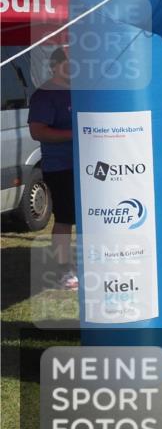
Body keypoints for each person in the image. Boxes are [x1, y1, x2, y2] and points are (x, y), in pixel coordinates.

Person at [28, 48, 77, 290]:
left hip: (90, 166)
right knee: (65, 218)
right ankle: (64, 270)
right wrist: (75, 134)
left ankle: (91, 262)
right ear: (56, 65)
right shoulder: (45, 95)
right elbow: (37, 131)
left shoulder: (81, 91)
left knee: (92, 217)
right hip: (61, 167)